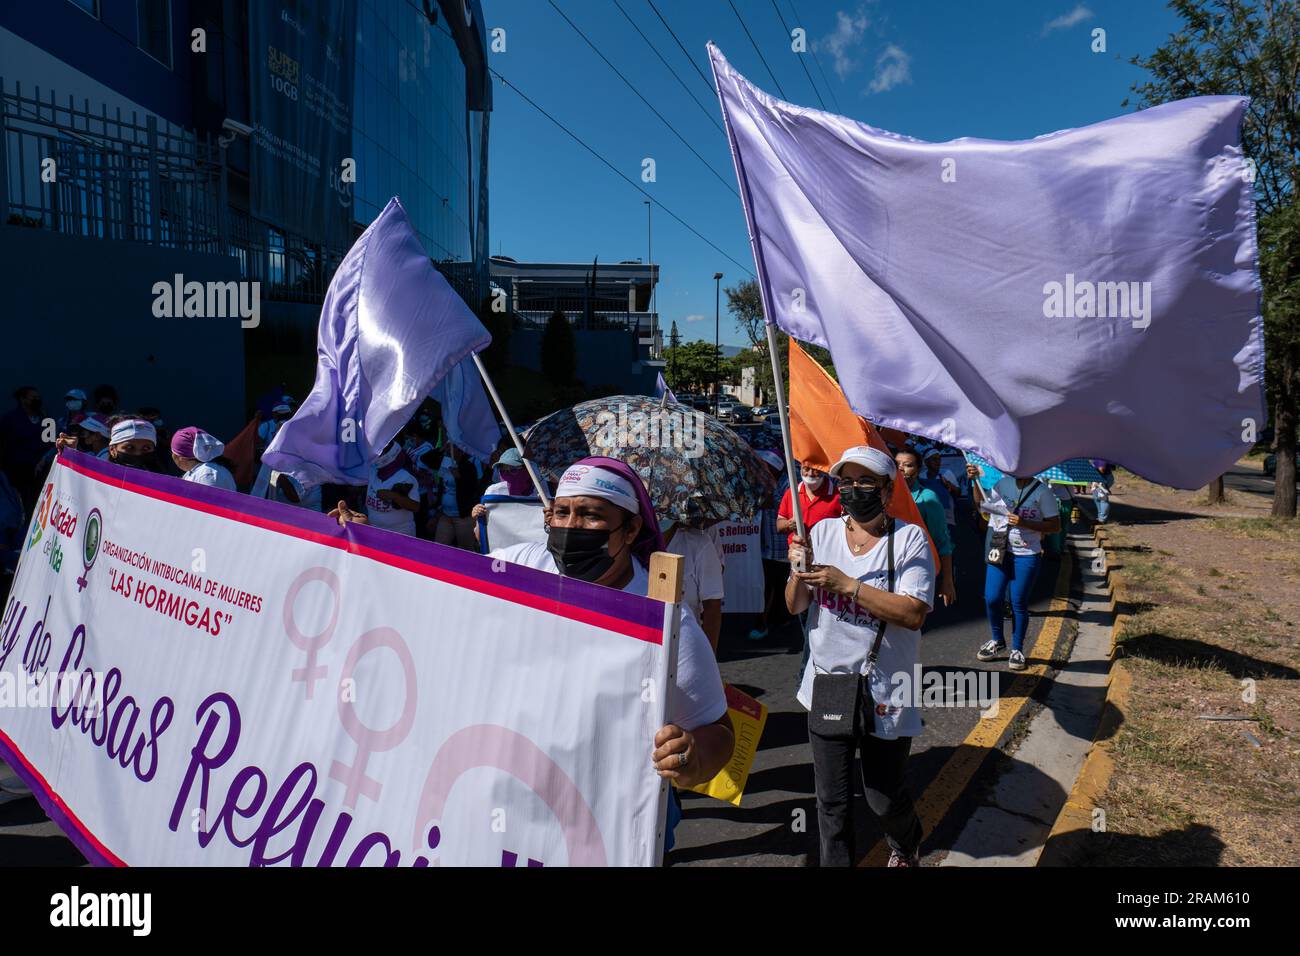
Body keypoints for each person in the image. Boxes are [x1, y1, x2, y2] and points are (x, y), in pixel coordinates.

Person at [488, 456, 734, 853]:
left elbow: (719, 733)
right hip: (513, 801)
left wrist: (690, 757)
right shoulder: (522, 566)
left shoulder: (665, 621)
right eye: (562, 512)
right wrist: (359, 549)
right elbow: (439, 594)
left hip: (608, 826)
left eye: (590, 515)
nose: (571, 527)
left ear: (631, 528)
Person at [785, 446, 934, 867]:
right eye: (845, 482)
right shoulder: (822, 533)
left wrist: (849, 585)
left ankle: (907, 843)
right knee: (831, 804)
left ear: (888, 491)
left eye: (865, 482)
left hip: (886, 689)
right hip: (829, 684)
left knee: (882, 799)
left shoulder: (909, 539)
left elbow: (913, 612)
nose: (853, 490)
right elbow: (795, 606)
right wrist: (797, 569)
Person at [968, 462, 1061, 671]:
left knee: (1018, 602)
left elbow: (1055, 526)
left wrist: (1024, 523)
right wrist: (975, 481)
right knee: (992, 598)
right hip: (1000, 549)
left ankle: (1017, 649)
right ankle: (997, 641)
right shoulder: (1003, 484)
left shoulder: (1042, 492)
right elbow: (982, 505)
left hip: (1026, 554)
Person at [894, 446, 956, 607]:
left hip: (916, 569)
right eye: (897, 464)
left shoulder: (928, 498)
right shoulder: (883, 496)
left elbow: (942, 542)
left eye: (908, 465)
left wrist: (947, 581)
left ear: (918, 469)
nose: (901, 468)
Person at [662, 519, 725, 652]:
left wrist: (708, 659)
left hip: (685, 648)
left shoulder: (700, 543)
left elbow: (712, 606)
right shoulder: (633, 545)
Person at [751, 449, 791, 641]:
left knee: (770, 585)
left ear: (775, 469)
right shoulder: (768, 482)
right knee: (774, 584)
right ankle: (779, 618)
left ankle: (762, 623)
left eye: (766, 468)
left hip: (781, 547)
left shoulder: (785, 485)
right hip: (767, 545)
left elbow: (770, 504)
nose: (763, 470)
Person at [0, 386, 47, 510]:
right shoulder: (9, 419)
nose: (37, 400)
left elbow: (51, 444)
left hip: (40, 472)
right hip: (17, 473)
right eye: (33, 398)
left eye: (38, 398)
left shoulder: (46, 418)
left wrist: (43, 461)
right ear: (23, 399)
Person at [431, 442, 483, 549]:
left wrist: (459, 478)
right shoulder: (444, 463)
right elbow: (426, 459)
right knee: (439, 546)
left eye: (454, 447)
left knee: (465, 548)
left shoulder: (469, 466)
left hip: (463, 517)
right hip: (445, 514)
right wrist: (442, 449)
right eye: (450, 447)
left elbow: (472, 488)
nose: (451, 450)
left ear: (461, 450)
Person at [777, 461, 841, 547]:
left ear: (823, 470)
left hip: (828, 555)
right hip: (798, 554)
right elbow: (779, 525)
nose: (810, 474)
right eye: (806, 469)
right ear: (800, 468)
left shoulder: (838, 496)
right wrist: (789, 524)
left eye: (815, 470)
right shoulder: (791, 493)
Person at [365, 440, 419, 536]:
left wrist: (394, 496)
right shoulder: (373, 471)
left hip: (400, 534)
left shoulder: (405, 477)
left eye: (381, 452)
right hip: (374, 531)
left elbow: (415, 507)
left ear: (391, 454)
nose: (377, 455)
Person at [170, 427, 237, 491]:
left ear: (180, 458)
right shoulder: (198, 472)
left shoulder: (208, 474)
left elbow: (209, 502)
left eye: (173, 452)